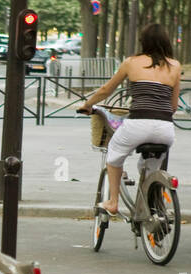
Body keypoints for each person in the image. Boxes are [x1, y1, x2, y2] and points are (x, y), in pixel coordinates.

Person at [76, 24, 180, 217]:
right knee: (149, 167)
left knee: (114, 154)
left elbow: (106, 90)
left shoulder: (131, 62)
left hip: (138, 124)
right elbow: (173, 106)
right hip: (165, 128)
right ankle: (151, 209)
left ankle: (113, 202)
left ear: (143, 42)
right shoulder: (174, 65)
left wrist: (88, 105)